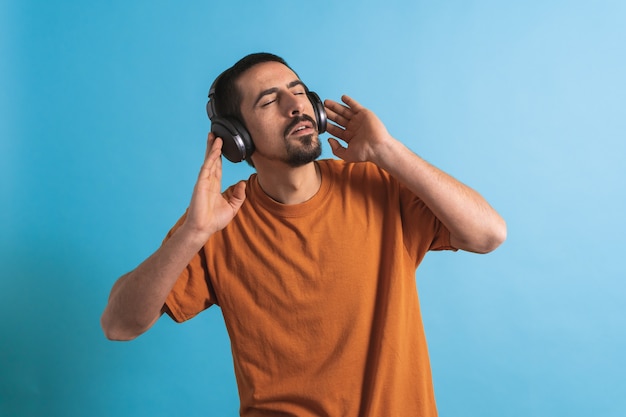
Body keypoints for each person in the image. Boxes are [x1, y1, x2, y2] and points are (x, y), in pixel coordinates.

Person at [101, 52, 506, 416]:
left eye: (298, 92)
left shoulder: (378, 185)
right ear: (236, 138)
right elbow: (119, 324)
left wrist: (389, 151)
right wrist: (192, 233)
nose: (296, 106)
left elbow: (488, 234)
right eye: (269, 100)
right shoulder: (217, 221)